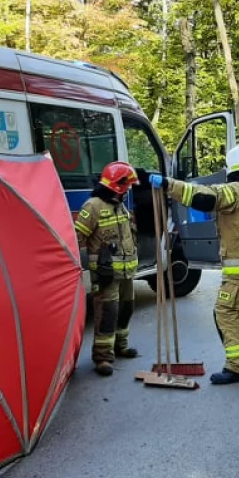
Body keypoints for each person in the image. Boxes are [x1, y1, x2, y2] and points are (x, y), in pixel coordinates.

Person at [148, 145, 239, 385]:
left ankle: (238, 367)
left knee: (225, 312)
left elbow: (202, 197)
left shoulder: (232, 192)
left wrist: (168, 184)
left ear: (229, 169)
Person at [74, 161, 140, 377]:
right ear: (117, 184)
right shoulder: (92, 206)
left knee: (126, 308)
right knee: (107, 314)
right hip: (106, 274)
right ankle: (102, 357)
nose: (129, 189)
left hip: (126, 272)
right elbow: (76, 238)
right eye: (127, 184)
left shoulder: (119, 204)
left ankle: (121, 345)